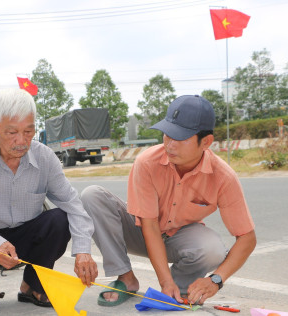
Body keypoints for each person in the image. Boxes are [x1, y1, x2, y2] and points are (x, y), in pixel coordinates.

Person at [80, 95, 256, 306]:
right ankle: (126, 278)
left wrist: (216, 280)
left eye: (180, 138)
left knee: (212, 248)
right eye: (167, 134)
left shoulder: (223, 177)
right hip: (141, 231)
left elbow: (247, 237)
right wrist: (164, 280)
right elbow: (150, 226)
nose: (170, 144)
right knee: (92, 195)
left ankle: (180, 289)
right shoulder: (147, 162)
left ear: (206, 142)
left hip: (178, 239)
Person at [0, 88, 98, 314]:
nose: (21, 141)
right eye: (11, 132)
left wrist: (83, 250)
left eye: (28, 131)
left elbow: (73, 204)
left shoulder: (44, 157)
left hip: (26, 241)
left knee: (59, 219)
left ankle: (33, 285)